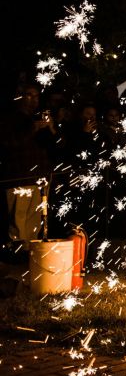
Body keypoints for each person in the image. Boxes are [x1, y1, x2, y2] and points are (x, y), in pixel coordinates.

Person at [0, 83, 57, 253]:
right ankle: (16, 259)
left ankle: (31, 258)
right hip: (19, 177)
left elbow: (55, 147)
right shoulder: (10, 119)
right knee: (18, 223)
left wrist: (51, 129)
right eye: (28, 95)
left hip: (39, 178)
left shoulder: (38, 117)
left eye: (36, 96)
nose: (33, 99)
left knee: (36, 222)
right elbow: (8, 144)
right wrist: (33, 129)